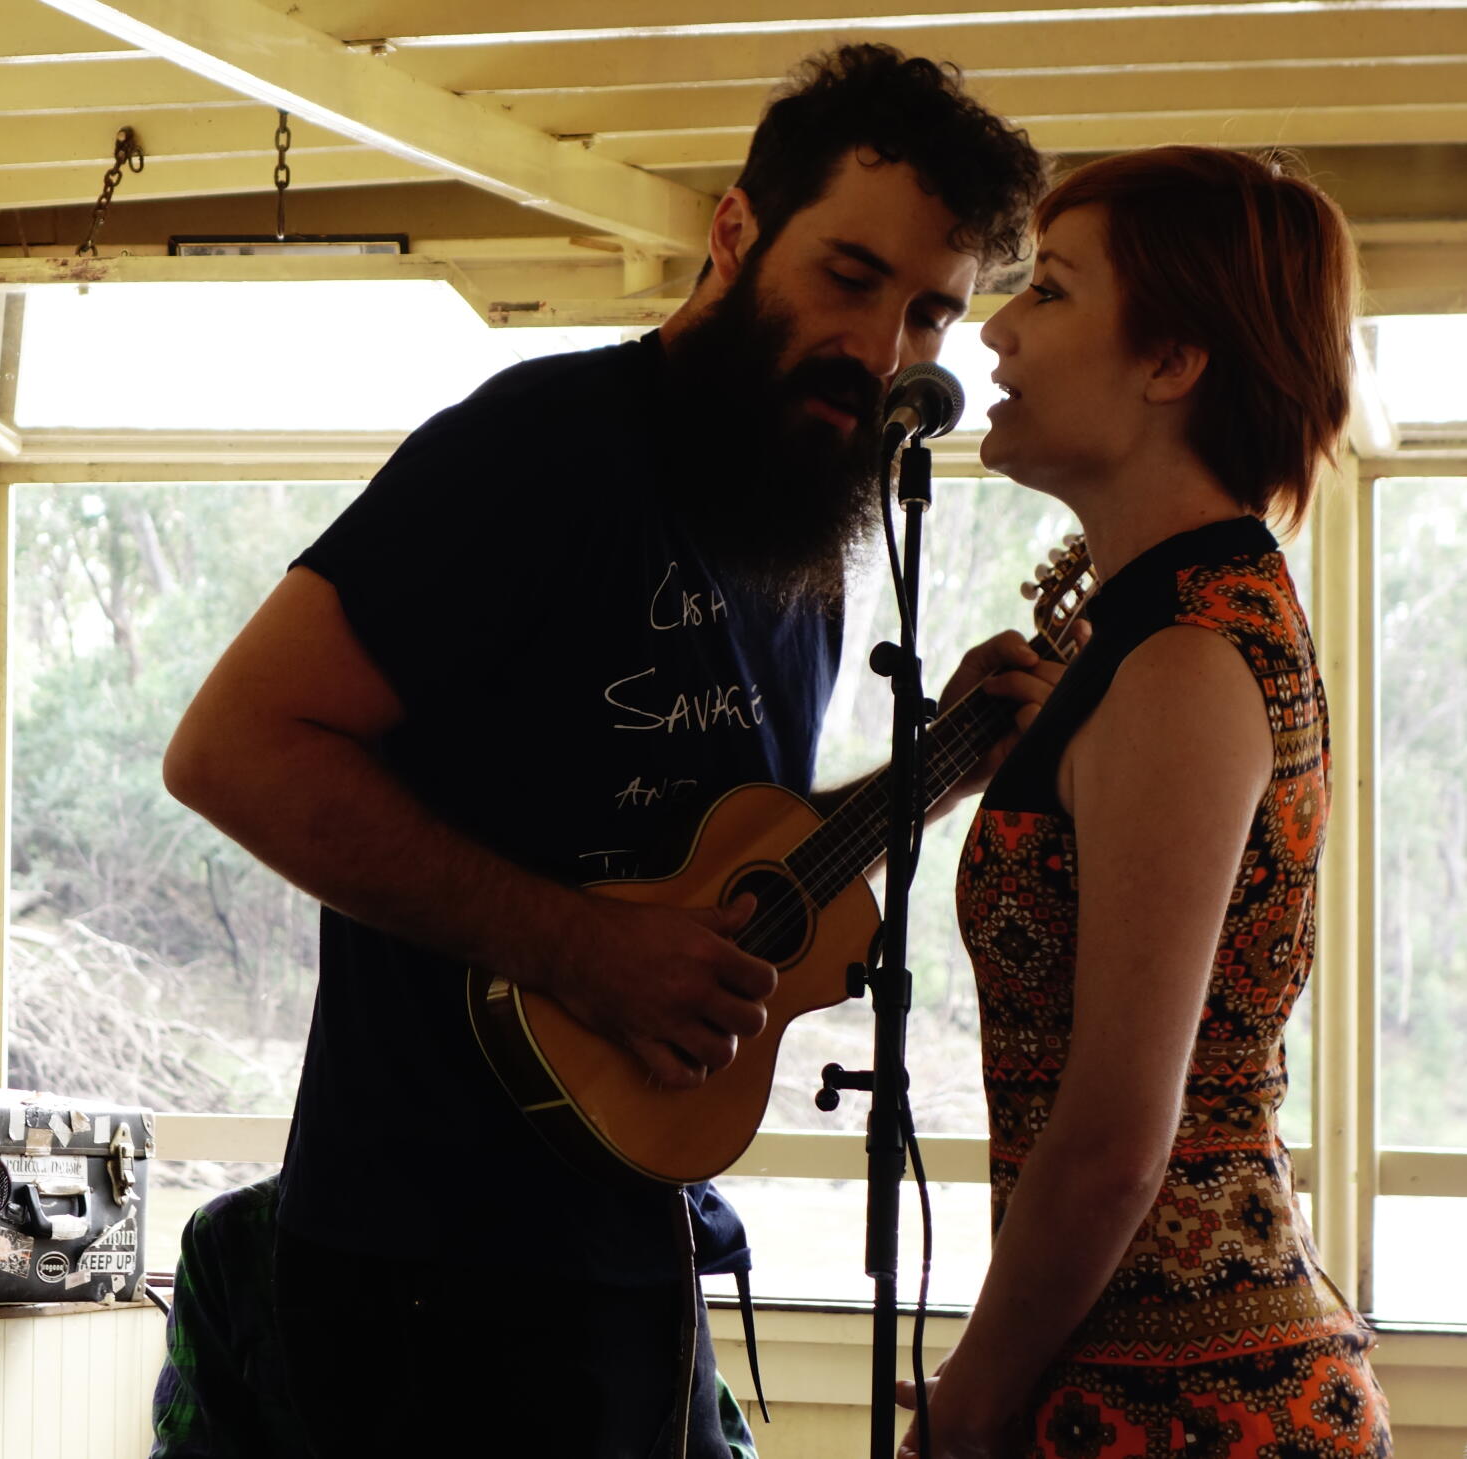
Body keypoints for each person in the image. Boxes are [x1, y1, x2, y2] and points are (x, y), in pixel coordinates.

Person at [161, 44, 1049, 1459]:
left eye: (931, 312)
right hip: (429, 1269)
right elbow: (232, 750)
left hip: (636, 1238)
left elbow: (732, 858)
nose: (883, 349)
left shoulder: (801, 524)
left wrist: (941, 760)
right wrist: (580, 949)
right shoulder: (540, 449)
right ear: (735, 231)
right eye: (849, 275)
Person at [906, 146, 1389, 1458]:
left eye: (1050, 290)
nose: (995, 329)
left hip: (1179, 1409)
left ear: (1172, 360)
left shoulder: (1183, 659)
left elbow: (1118, 1137)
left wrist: (965, 1406)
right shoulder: (1178, 628)